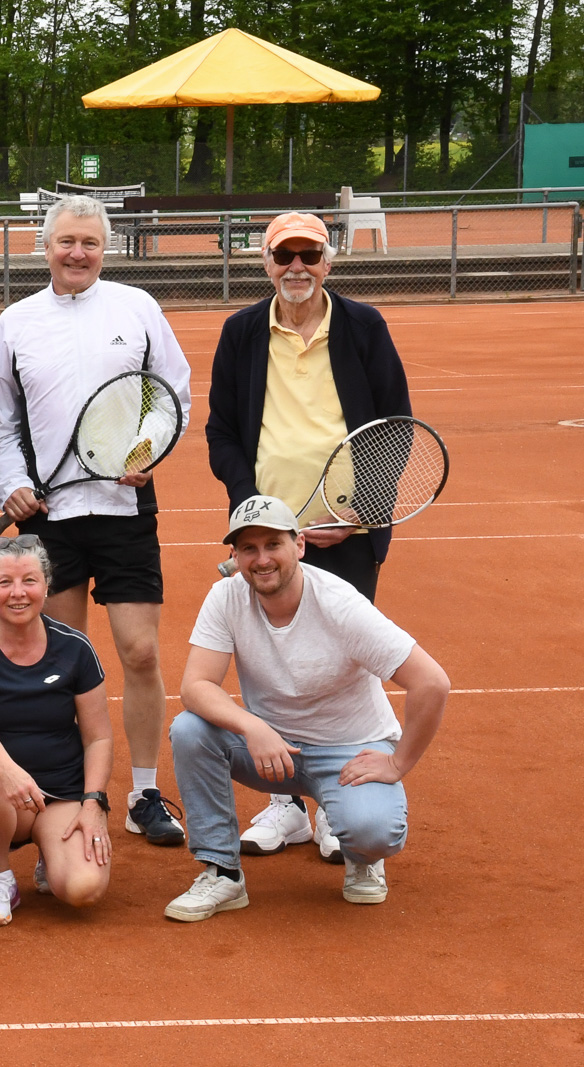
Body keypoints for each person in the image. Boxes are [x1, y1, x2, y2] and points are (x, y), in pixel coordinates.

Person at [0, 194, 193, 848]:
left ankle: (143, 790)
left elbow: (172, 394)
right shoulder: (16, 324)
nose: (77, 253)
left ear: (106, 249)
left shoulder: (139, 309)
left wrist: (146, 449)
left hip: (127, 511)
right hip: (52, 516)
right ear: (45, 247)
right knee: (64, 659)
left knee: (137, 649)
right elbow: (3, 423)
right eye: (66, 242)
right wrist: (14, 485)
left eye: (90, 244)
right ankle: (70, 788)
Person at [204, 211, 413, 857]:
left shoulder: (364, 326)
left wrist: (362, 511)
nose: (297, 266)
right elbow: (222, 434)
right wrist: (257, 516)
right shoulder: (241, 332)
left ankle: (333, 802)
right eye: (283, 255)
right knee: (266, 668)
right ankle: (285, 804)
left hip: (345, 533)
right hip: (268, 534)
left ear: (330, 259)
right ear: (264, 261)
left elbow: (394, 425)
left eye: (310, 254)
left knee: (343, 665)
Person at [164, 496, 449, 922]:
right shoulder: (225, 597)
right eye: (248, 549)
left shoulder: (340, 604)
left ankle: (362, 856)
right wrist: (252, 727)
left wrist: (398, 764)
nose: (262, 559)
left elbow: (432, 682)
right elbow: (196, 686)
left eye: (273, 544)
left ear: (299, 545)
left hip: (349, 751)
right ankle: (222, 871)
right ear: (234, 556)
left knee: (373, 832)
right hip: (274, 750)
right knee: (190, 730)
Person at [0, 536, 113, 927]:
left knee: (82, 890)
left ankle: (52, 856)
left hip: (62, 796)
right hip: (4, 795)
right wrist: (9, 771)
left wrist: (94, 804)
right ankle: (1, 879)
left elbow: (99, 737)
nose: (17, 593)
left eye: (29, 581)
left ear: (47, 586)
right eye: (4, 582)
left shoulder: (76, 647)